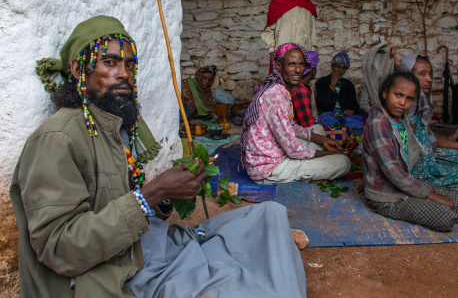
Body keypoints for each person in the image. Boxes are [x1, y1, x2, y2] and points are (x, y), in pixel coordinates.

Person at [10, 16, 306, 297]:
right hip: (106, 274)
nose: (123, 73)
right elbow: (60, 249)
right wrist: (150, 195)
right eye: (109, 63)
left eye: (129, 64)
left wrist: (165, 198)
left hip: (139, 247)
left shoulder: (114, 127)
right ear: (78, 69)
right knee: (246, 282)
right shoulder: (58, 138)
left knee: (270, 214)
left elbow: (122, 206)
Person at [362, 70, 458, 232]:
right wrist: (429, 195)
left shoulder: (400, 117)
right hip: (386, 197)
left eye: (409, 99)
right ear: (385, 93)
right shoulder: (378, 122)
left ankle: (425, 201)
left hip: (406, 183)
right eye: (398, 95)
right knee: (446, 216)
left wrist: (426, 194)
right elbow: (392, 170)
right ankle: (426, 204)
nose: (402, 103)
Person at [241, 42, 351, 184]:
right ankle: (310, 175)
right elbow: (293, 149)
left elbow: (291, 127)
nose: (297, 70)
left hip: (277, 151)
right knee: (343, 162)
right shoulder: (275, 96)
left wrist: (323, 140)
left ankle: (314, 169)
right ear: (279, 66)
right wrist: (329, 153)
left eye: (301, 64)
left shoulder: (281, 89)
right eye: (291, 64)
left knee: (317, 130)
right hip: (268, 168)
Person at [397, 54, 458, 187]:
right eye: (423, 74)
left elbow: (430, 138)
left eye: (430, 74)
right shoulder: (405, 105)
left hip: (429, 155)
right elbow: (407, 149)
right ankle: (422, 185)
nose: (429, 79)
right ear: (406, 76)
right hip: (417, 166)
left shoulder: (420, 103)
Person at [261, 0, 317, 73]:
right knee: (281, 88)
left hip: (302, 58)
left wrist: (313, 61)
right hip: (282, 56)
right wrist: (272, 51)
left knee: (300, 88)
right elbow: (269, 31)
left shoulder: (308, 6)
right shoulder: (278, 2)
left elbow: (312, 36)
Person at [315, 51, 361, 116]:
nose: (340, 70)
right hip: (327, 115)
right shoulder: (321, 82)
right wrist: (332, 85)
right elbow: (324, 106)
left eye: (343, 68)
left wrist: (352, 111)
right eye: (338, 66)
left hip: (344, 116)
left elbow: (354, 105)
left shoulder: (348, 85)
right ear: (332, 66)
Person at [291, 50, 320, 128]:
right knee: (344, 133)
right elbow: (308, 126)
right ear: (313, 71)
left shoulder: (297, 85)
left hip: (298, 131)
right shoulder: (301, 90)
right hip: (300, 135)